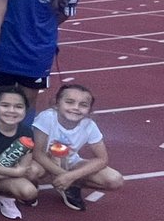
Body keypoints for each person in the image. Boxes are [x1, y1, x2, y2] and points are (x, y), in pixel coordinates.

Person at [32, 83, 123, 212]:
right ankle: (33, 186)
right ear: (57, 104)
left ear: (89, 110)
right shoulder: (47, 118)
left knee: (115, 180)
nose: (76, 108)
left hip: (69, 162)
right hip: (43, 163)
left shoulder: (89, 125)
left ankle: (72, 186)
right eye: (69, 102)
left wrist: (72, 176)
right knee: (31, 171)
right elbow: (38, 153)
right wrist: (64, 175)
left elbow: (102, 159)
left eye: (83, 105)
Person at [0, 86, 43, 219]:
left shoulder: (26, 132)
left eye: (18, 107)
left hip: (4, 175)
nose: (11, 111)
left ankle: (4, 194)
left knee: (31, 188)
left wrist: (18, 172)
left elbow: (25, 166)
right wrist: (14, 172)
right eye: (5, 105)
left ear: (25, 110)